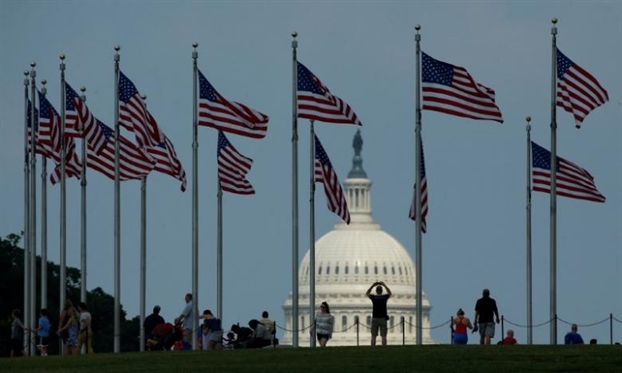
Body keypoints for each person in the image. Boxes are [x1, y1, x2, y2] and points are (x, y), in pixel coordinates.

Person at [366, 281, 392, 346]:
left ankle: (373, 347)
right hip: (383, 318)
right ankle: (384, 348)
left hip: (375, 318)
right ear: (382, 291)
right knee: (384, 335)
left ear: (376, 291)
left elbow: (367, 293)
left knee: (373, 336)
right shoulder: (384, 297)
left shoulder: (374, 297)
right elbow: (390, 293)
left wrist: (372, 285)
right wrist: (384, 285)